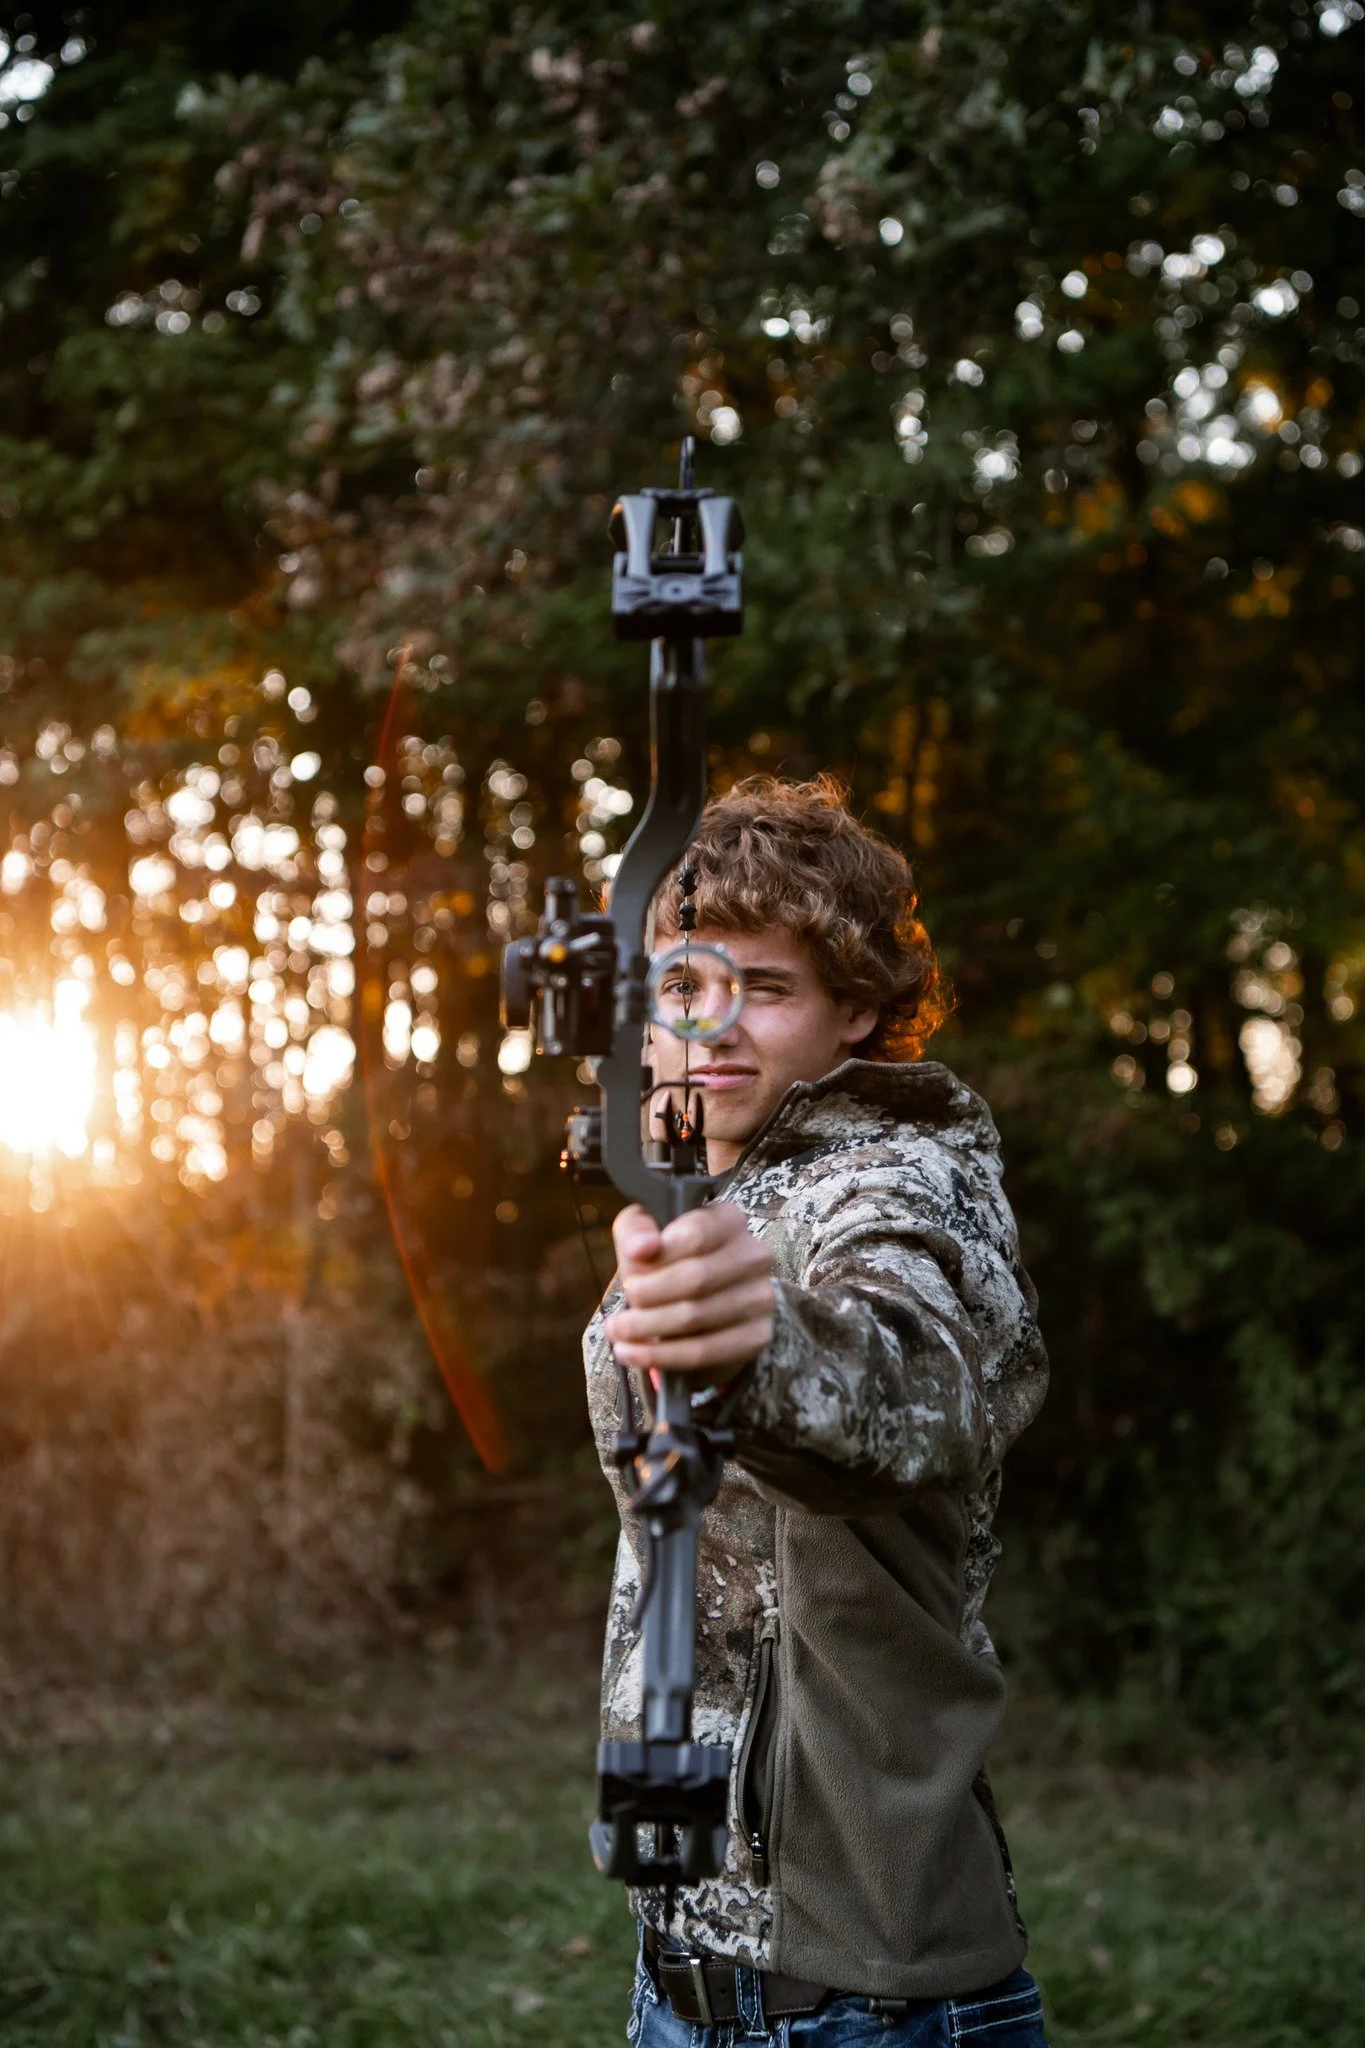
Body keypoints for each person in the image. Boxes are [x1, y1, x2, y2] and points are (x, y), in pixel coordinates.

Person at [584, 774, 1051, 2048]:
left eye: (768, 988)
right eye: (683, 989)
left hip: (858, 1990)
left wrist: (760, 1348)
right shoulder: (717, 1188)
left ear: (857, 1007)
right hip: (693, 1952)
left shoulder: (904, 1175)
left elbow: (915, 1373)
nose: (714, 1026)